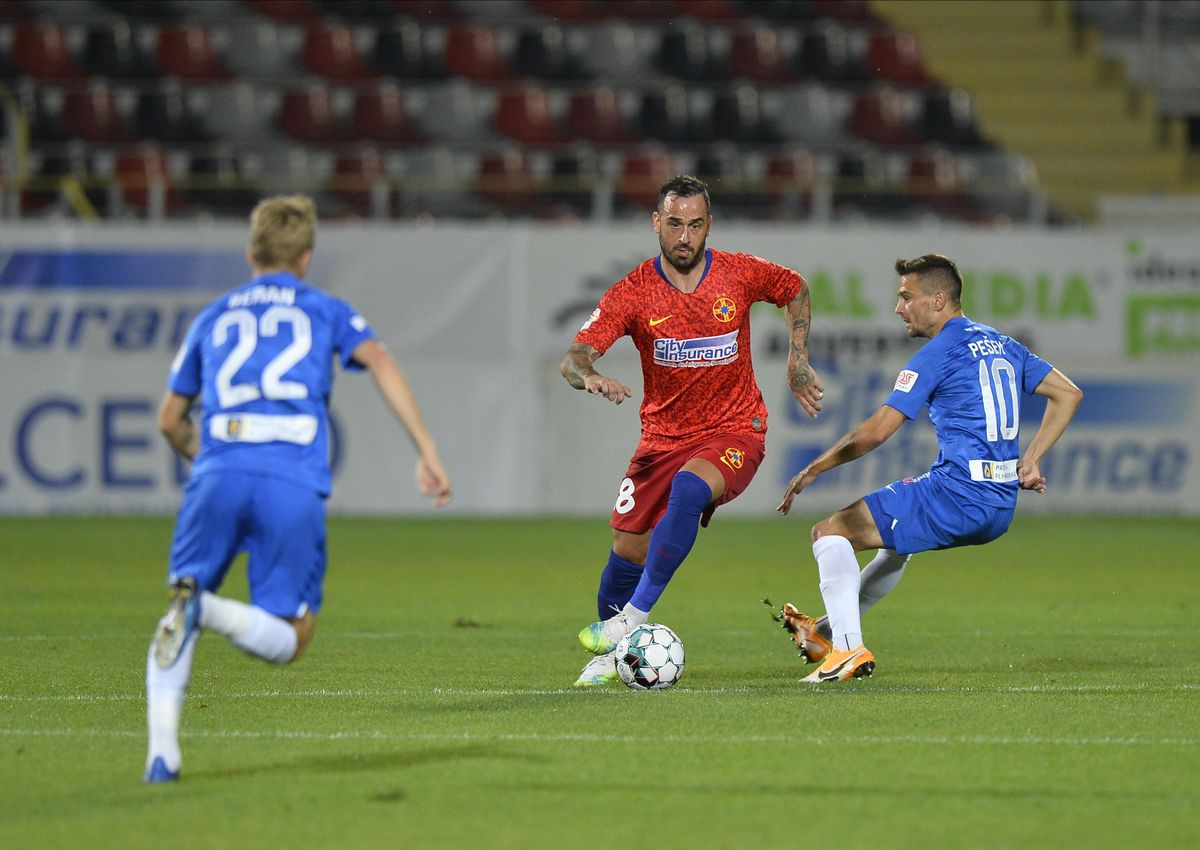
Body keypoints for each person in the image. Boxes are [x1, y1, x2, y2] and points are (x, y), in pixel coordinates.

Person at [143, 194, 452, 782]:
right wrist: (427, 450)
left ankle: (163, 753)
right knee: (292, 637)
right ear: (306, 258)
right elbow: (381, 361)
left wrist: (207, 459)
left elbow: (168, 419)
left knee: (176, 607)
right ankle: (206, 609)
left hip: (217, 473)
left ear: (249, 251)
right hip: (289, 479)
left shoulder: (214, 315)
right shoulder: (325, 308)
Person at [560, 174, 824, 687]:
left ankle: (628, 622)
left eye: (696, 225)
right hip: (662, 438)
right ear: (656, 223)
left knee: (689, 488)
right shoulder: (633, 293)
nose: (685, 237)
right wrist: (589, 375)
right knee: (627, 546)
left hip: (736, 428)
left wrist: (797, 360)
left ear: (709, 226)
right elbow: (573, 358)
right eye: (675, 224)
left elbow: (796, 288)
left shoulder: (739, 274)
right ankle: (613, 656)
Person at [775, 253, 1082, 683]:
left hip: (960, 494)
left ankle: (846, 650)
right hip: (1001, 502)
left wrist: (815, 468)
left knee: (829, 532)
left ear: (938, 300)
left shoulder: (937, 353)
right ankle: (825, 632)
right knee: (897, 543)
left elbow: (877, 431)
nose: (898, 308)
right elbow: (1068, 395)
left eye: (906, 297)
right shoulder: (1002, 343)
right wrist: (1030, 460)